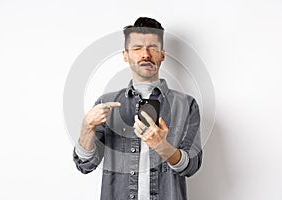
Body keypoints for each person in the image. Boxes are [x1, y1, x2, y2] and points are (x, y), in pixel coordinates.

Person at [73, 17, 202, 200]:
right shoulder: (106, 103)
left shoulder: (186, 105)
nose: (145, 54)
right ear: (125, 55)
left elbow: (192, 165)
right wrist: (87, 127)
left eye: (153, 47)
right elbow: (85, 165)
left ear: (162, 55)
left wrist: (162, 147)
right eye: (137, 48)